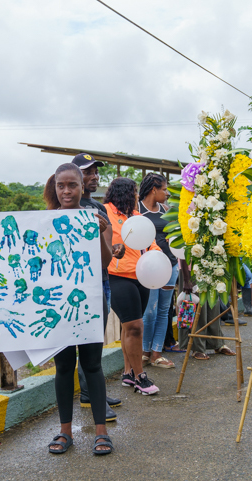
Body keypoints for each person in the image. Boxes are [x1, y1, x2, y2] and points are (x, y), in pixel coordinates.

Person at [44, 163, 114, 455]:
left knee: (93, 364)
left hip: (90, 301)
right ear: (55, 188)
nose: (67, 191)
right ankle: (64, 432)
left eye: (72, 185)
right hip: (58, 304)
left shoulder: (97, 217)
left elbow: (105, 263)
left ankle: (101, 431)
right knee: (62, 367)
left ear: (82, 187)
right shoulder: (45, 222)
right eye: (61, 186)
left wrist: (97, 234)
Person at [72, 153, 125, 422]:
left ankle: (91, 393)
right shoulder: (65, 208)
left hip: (101, 280)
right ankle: (93, 396)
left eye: (95, 171)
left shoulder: (99, 208)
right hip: (78, 286)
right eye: (88, 171)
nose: (94, 176)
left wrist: (114, 250)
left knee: (95, 341)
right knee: (86, 341)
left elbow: (103, 249)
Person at [104, 177, 160, 395]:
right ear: (126, 193)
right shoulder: (106, 212)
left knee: (129, 327)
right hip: (116, 276)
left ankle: (127, 373)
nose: (138, 196)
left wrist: (156, 255)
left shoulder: (138, 217)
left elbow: (150, 243)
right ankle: (140, 377)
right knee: (136, 326)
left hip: (141, 275)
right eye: (135, 192)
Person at [138, 173, 176, 369]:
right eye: (164, 189)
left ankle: (156, 354)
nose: (167, 193)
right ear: (154, 189)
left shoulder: (166, 210)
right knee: (149, 311)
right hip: (149, 269)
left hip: (170, 265)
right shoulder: (137, 211)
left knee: (163, 311)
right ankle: (144, 352)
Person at [178, 259, 236, 359]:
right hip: (192, 270)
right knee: (199, 311)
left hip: (210, 267)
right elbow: (182, 254)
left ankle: (217, 343)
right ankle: (197, 348)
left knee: (213, 307)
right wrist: (186, 280)